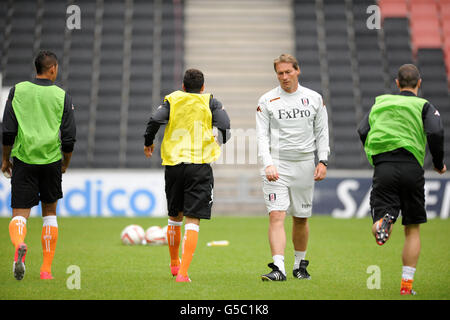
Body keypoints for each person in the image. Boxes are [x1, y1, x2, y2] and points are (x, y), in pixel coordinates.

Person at [357, 64, 446, 295]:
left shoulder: (381, 102)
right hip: (411, 167)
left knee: (379, 218)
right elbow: (435, 131)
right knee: (413, 229)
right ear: (419, 83)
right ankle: (406, 287)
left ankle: (383, 221)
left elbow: (362, 129)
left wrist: (375, 154)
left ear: (397, 84)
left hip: (384, 166)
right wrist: (438, 163)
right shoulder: (424, 105)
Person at [144, 68, 230, 282]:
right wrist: (219, 141)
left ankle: (174, 264)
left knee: (175, 217)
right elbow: (225, 126)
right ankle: (183, 274)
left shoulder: (172, 100)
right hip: (199, 166)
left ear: (183, 86)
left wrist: (148, 142)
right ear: (203, 87)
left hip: (174, 165)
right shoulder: (211, 101)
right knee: (193, 219)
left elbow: (155, 120)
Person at [1, 50, 76, 281]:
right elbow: (69, 136)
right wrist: (65, 163)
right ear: (52, 68)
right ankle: (46, 270)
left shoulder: (18, 90)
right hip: (51, 160)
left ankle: (20, 244)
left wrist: (5, 159)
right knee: (50, 214)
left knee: (20, 214)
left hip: (24, 159)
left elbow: (8, 130)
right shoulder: (62, 95)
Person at [256, 54, 330, 281]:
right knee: (276, 215)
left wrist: (323, 160)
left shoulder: (314, 98)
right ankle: (279, 268)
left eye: (288, 72)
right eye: (280, 73)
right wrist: (267, 163)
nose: (284, 77)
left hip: (305, 163)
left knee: (300, 218)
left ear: (298, 71)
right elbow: (261, 136)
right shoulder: (266, 100)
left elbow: (322, 132)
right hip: (277, 164)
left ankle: (300, 265)